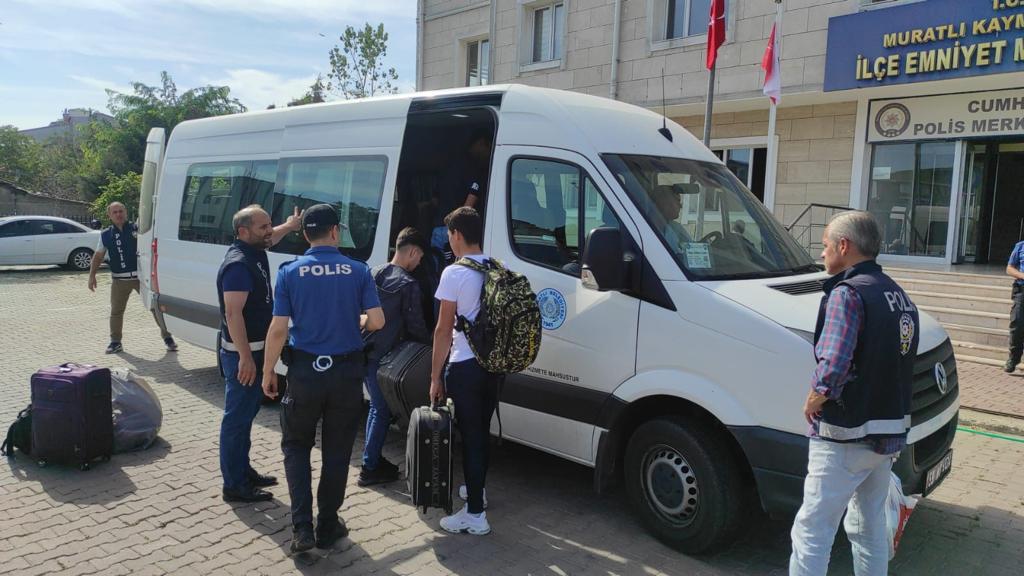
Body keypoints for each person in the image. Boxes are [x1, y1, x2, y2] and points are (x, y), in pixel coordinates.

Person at [789, 211, 919, 576]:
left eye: (825, 245)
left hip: (845, 434)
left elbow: (834, 364)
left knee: (812, 530)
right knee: (868, 525)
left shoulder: (847, 294)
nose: (822, 252)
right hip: (886, 434)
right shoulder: (897, 294)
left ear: (844, 246)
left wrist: (814, 397)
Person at [261, 204, 385, 553]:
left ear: (304, 235)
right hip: (346, 375)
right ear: (335, 232)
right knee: (337, 450)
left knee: (296, 446)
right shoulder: (358, 270)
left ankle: (302, 528)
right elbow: (377, 321)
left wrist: (268, 371)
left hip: (304, 374)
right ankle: (328, 524)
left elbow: (278, 329)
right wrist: (357, 321)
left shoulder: (290, 271)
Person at [217, 204, 302, 503]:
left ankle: (242, 471)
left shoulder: (253, 248)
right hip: (244, 355)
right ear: (243, 232)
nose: (269, 231)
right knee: (237, 420)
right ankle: (234, 485)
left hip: (255, 351)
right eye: (263, 227)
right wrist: (245, 358)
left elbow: (272, 237)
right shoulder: (238, 265)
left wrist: (289, 226)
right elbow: (233, 314)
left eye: (269, 224)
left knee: (246, 415)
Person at [429, 206, 499, 536]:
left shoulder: (454, 273)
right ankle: (476, 491)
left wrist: (434, 377)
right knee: (480, 433)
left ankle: (474, 516)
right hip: (493, 366)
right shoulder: (496, 267)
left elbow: (443, 330)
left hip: (465, 366)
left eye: (449, 235)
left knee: (470, 438)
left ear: (456, 234)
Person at [358, 227, 430, 487]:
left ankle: (372, 460)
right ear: (412, 252)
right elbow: (415, 325)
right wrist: (431, 345)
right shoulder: (408, 284)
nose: (419, 263)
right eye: (420, 257)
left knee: (377, 407)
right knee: (381, 409)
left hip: (363, 351)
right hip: (385, 357)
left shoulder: (373, 272)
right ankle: (369, 468)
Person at [88, 201, 176, 354]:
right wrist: (92, 276)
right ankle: (115, 342)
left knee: (155, 308)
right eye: (115, 212)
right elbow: (98, 256)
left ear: (126, 212)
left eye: (121, 211)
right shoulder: (106, 235)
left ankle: (168, 338)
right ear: (109, 215)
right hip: (119, 280)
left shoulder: (138, 229)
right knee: (116, 311)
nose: (118, 214)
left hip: (141, 278)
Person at [432, 129, 493, 265]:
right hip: (456, 233)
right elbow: (469, 204)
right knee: (456, 271)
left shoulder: (447, 166)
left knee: (437, 272)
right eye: (488, 147)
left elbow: (434, 200)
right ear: (481, 143)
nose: (488, 153)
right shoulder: (475, 168)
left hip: (438, 228)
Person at [1004, 238, 1024, 372]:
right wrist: (1022, 275)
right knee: (1017, 324)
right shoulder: (1020, 246)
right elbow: (1009, 269)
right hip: (1022, 291)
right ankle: (1013, 358)